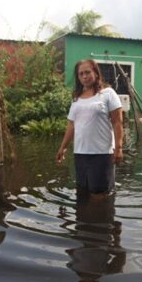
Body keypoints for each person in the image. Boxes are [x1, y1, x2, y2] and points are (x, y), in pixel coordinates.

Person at [56, 59, 123, 194]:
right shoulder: (77, 98)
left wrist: (119, 148)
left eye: (87, 72)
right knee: (83, 192)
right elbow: (72, 125)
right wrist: (63, 147)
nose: (84, 76)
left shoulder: (108, 93)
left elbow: (118, 122)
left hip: (102, 154)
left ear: (96, 73)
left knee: (100, 195)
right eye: (81, 74)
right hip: (80, 154)